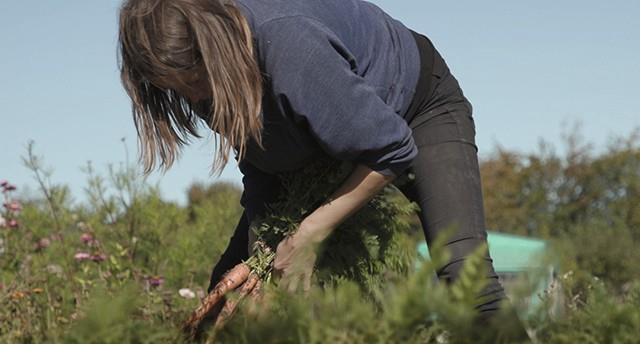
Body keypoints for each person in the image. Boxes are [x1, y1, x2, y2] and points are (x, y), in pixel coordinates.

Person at [118, 0, 530, 338]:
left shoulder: (289, 44)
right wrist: (263, 251)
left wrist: (307, 235)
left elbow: (392, 147)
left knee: (466, 275)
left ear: (214, 43)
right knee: (230, 294)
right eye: (176, 88)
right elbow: (264, 161)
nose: (193, 95)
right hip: (329, 135)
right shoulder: (199, 74)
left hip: (417, 107)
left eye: (195, 80)